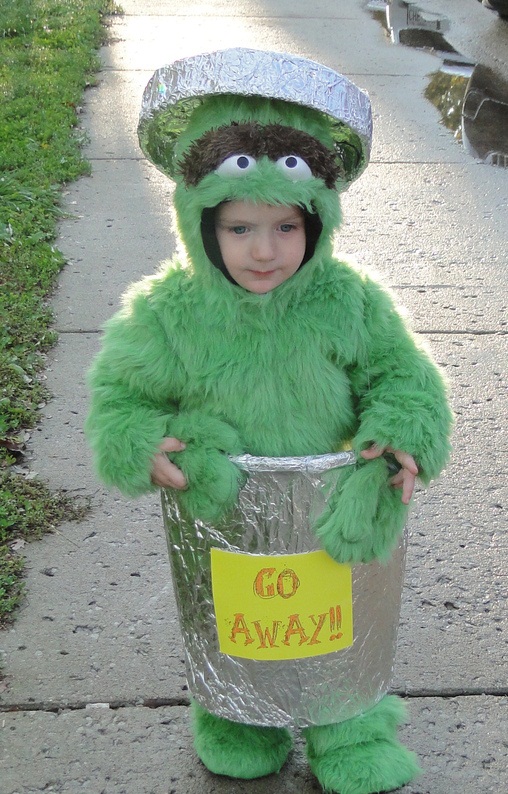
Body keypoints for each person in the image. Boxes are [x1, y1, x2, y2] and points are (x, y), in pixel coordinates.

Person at [86, 49, 453, 794]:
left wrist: (403, 434)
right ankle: (234, 714)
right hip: (224, 508)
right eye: (240, 228)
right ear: (201, 224)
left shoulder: (346, 300)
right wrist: (134, 440)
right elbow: (121, 395)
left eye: (287, 227)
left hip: (329, 507)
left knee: (337, 618)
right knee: (234, 620)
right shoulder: (167, 315)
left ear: (316, 220)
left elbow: (402, 373)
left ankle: (347, 724)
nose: (264, 251)